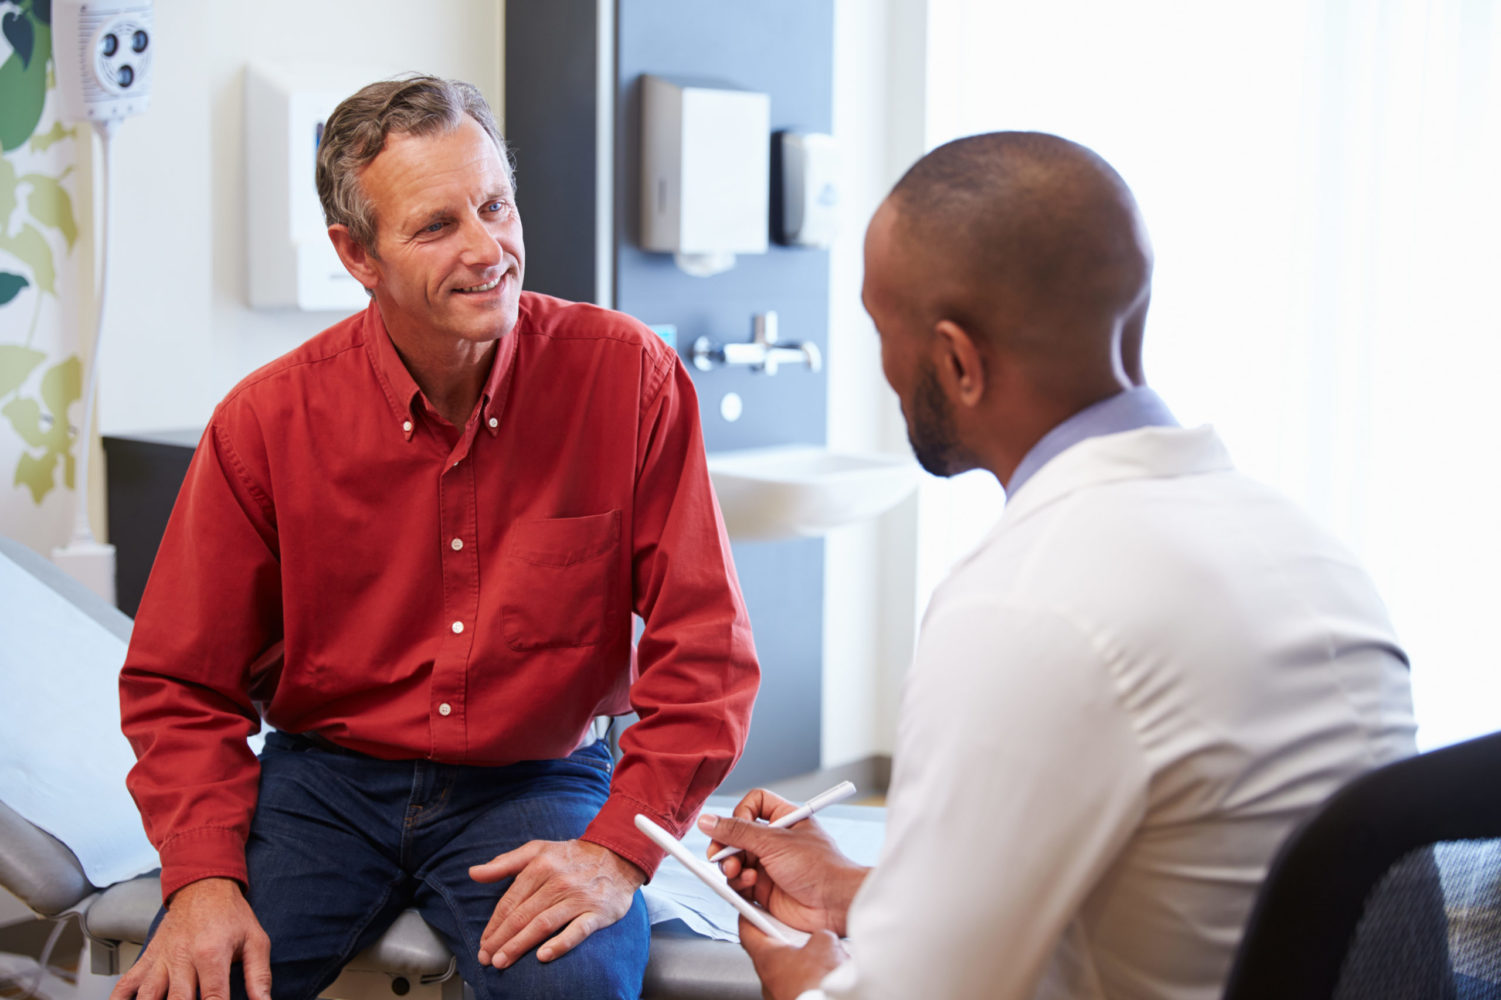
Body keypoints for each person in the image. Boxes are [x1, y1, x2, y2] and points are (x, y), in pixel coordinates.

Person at [699, 132, 1417, 1000]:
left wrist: (796, 972)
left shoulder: (1026, 605)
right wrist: (865, 894)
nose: (882, 370)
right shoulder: (1302, 548)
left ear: (958, 361)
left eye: (881, 329)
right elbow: (1182, 877)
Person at [113, 76, 759, 1000]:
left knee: (572, 986)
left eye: (495, 206)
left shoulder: (627, 379)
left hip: (536, 778)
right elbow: (179, 683)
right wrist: (203, 877)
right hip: (324, 785)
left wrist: (618, 851)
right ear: (356, 254)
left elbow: (707, 651)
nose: (488, 249)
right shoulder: (264, 423)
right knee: (202, 986)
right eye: (436, 225)